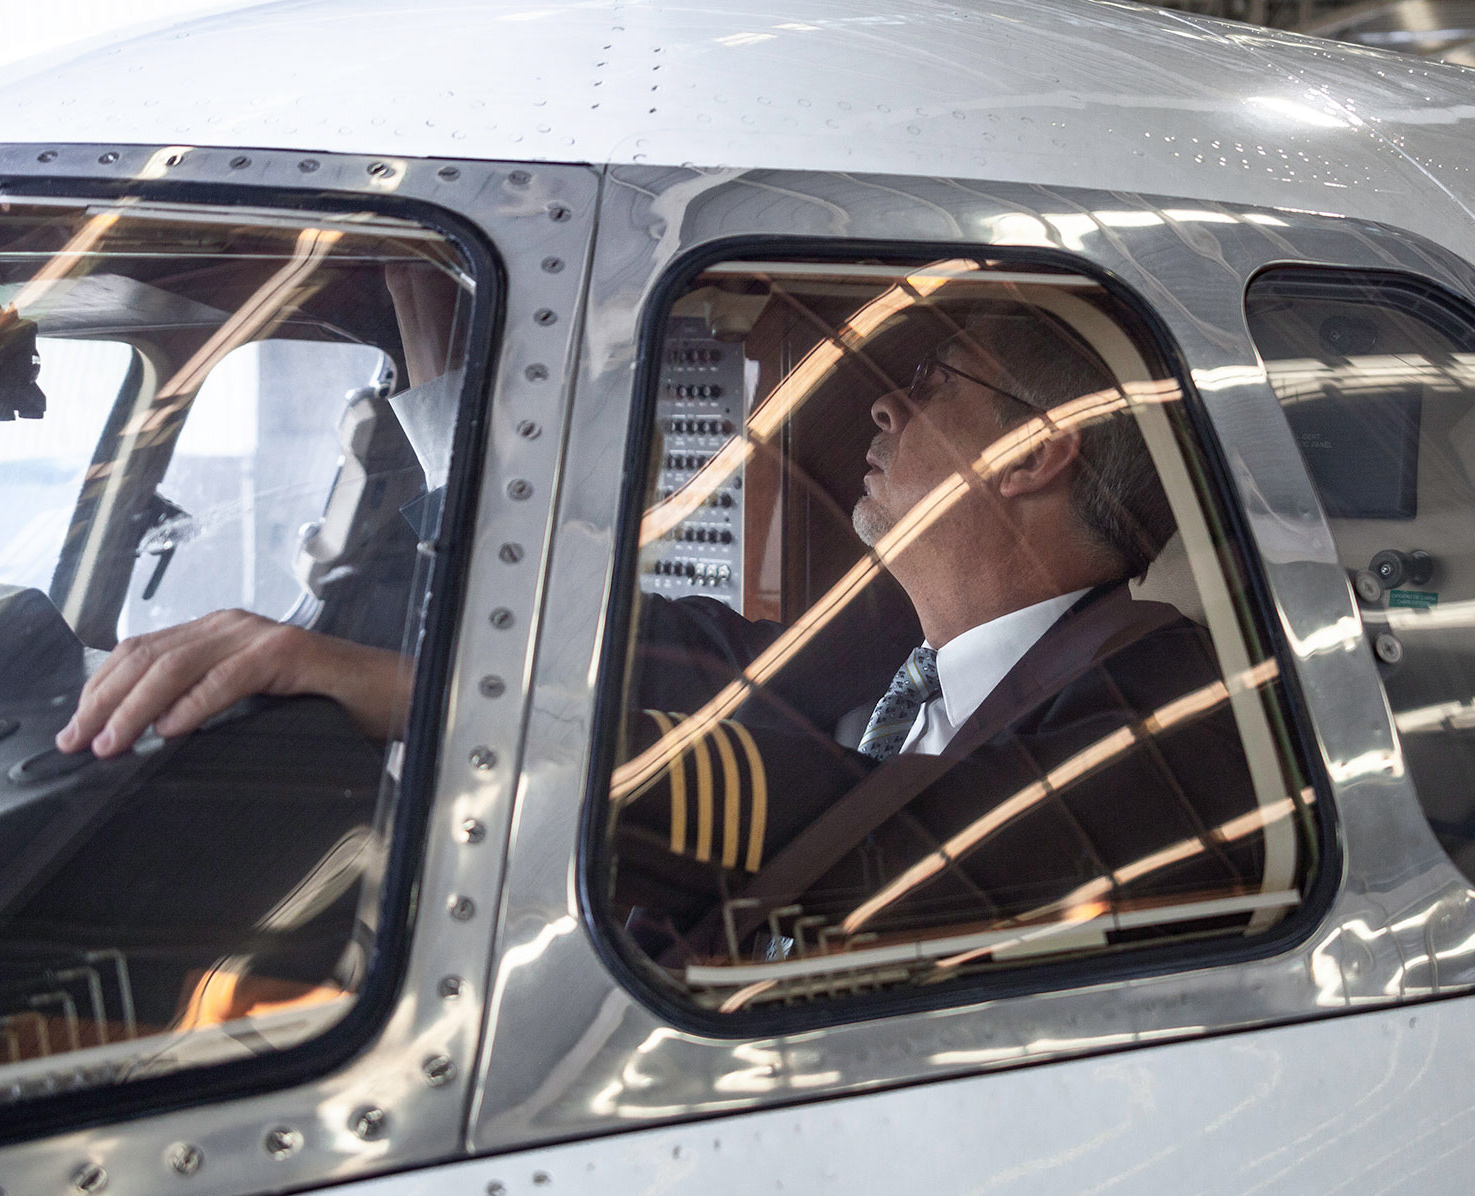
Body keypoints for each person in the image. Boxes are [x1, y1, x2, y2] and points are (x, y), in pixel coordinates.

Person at [56, 309, 1262, 970]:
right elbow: (632, 647)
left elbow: (863, 819)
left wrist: (423, 699)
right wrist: (440, 372)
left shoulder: (1166, 700)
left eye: (938, 380)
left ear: (1036, 450)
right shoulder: (887, 650)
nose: (888, 404)